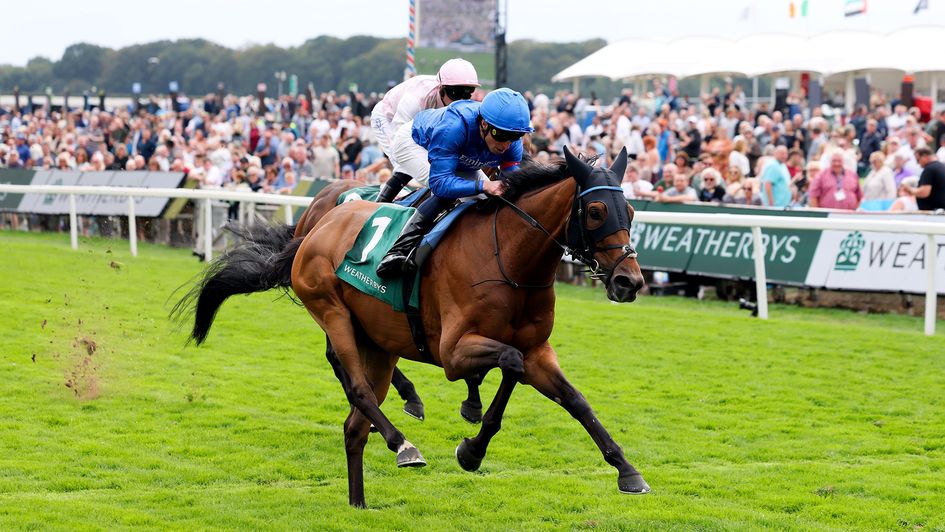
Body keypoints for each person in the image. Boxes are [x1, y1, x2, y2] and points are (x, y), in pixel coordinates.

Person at [376, 88, 531, 277]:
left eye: (514, 137)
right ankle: (396, 251)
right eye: (500, 135)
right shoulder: (454, 127)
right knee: (449, 193)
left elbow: (510, 184)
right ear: (484, 124)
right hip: (414, 143)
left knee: (488, 199)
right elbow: (440, 184)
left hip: (458, 153)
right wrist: (483, 185)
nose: (506, 144)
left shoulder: (511, 140)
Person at [371, 58, 480, 203]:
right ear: (441, 88)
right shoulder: (417, 98)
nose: (460, 101)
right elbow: (400, 137)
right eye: (456, 93)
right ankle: (379, 206)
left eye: (467, 94)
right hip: (388, 118)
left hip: (417, 125)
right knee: (404, 165)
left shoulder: (453, 102)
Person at [901, 147, 945, 211]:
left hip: (934, 212)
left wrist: (909, 189)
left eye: (918, 160)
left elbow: (924, 192)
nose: (918, 163)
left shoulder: (930, 169)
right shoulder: (941, 167)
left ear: (924, 156)